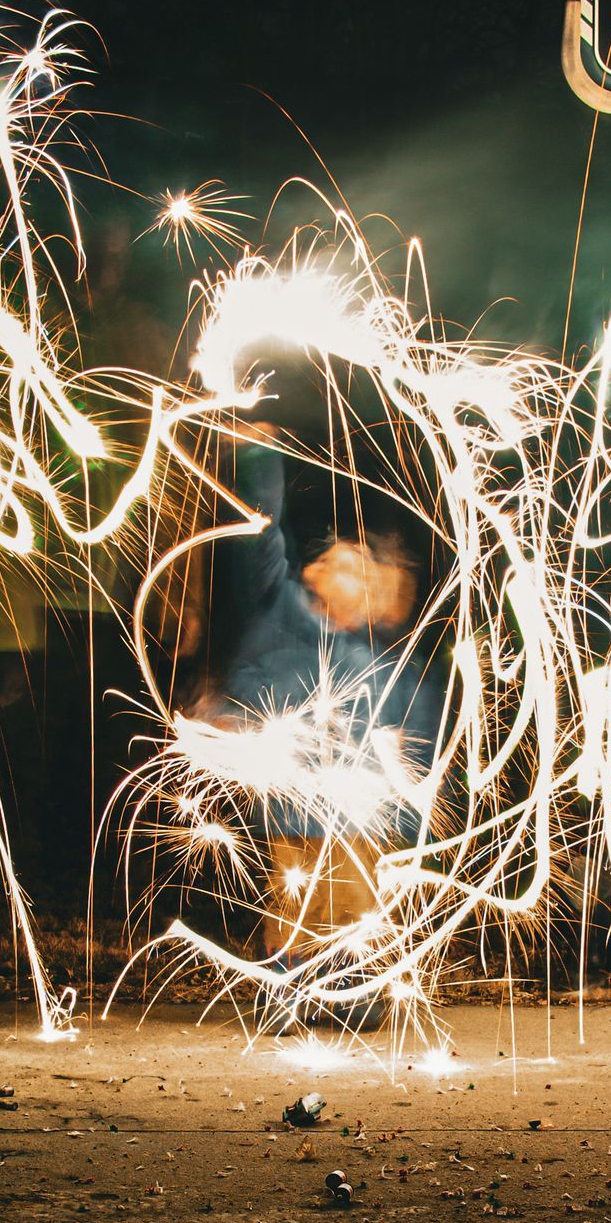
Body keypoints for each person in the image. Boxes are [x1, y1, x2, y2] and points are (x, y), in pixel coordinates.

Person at [205, 424, 439, 1020]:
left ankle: (354, 991)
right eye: (345, 565)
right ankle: (286, 990)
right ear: (314, 576)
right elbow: (260, 534)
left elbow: (409, 717)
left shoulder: (370, 650)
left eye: (366, 572)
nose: (358, 576)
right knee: (296, 897)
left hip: (358, 807)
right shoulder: (280, 608)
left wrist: (410, 784)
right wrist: (258, 456)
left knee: (356, 899)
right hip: (299, 798)